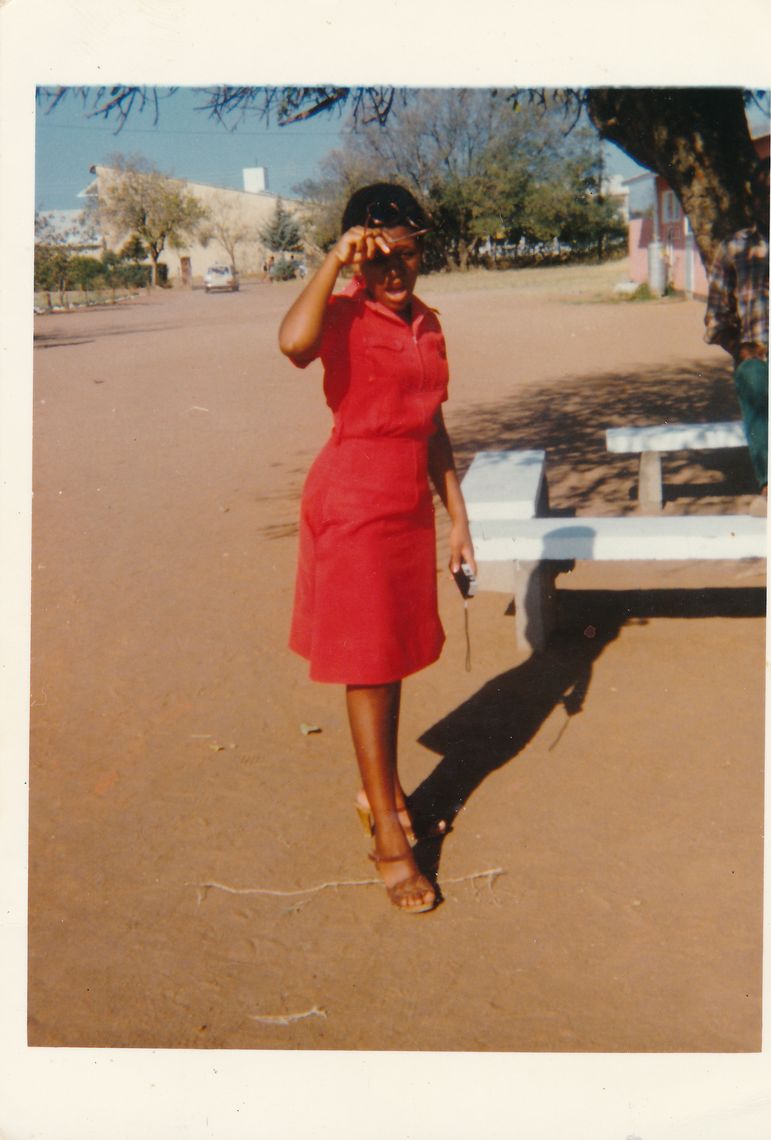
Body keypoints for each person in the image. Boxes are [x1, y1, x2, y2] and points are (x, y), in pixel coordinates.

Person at [278, 183, 476, 914]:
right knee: (369, 664)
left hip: (407, 508)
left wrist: (458, 521)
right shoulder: (341, 312)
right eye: (382, 255)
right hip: (354, 501)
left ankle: (379, 791)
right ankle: (390, 840)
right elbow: (292, 345)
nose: (397, 271)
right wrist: (335, 263)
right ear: (361, 252)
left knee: (392, 656)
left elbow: (437, 429)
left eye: (410, 253)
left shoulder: (428, 323)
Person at [704, 157, 770, 512]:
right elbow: (716, 318)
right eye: (766, 193)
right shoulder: (734, 248)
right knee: (755, 378)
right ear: (754, 200)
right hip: (759, 356)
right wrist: (740, 349)